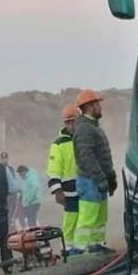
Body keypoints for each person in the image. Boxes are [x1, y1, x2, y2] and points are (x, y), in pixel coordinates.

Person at [73, 90, 116, 253]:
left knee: (99, 218)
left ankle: (96, 245)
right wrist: (100, 178)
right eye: (97, 104)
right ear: (89, 106)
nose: (100, 107)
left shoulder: (93, 127)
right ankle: (78, 251)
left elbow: (103, 157)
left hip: (98, 181)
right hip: (90, 181)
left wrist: (111, 179)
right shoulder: (85, 129)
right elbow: (87, 158)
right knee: (88, 217)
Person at [47, 105, 81, 254]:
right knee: (71, 218)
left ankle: (83, 245)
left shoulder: (83, 139)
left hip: (85, 187)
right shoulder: (58, 144)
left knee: (85, 219)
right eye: (68, 122)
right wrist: (57, 190)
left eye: (74, 121)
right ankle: (68, 246)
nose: (71, 125)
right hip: (69, 191)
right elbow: (53, 169)